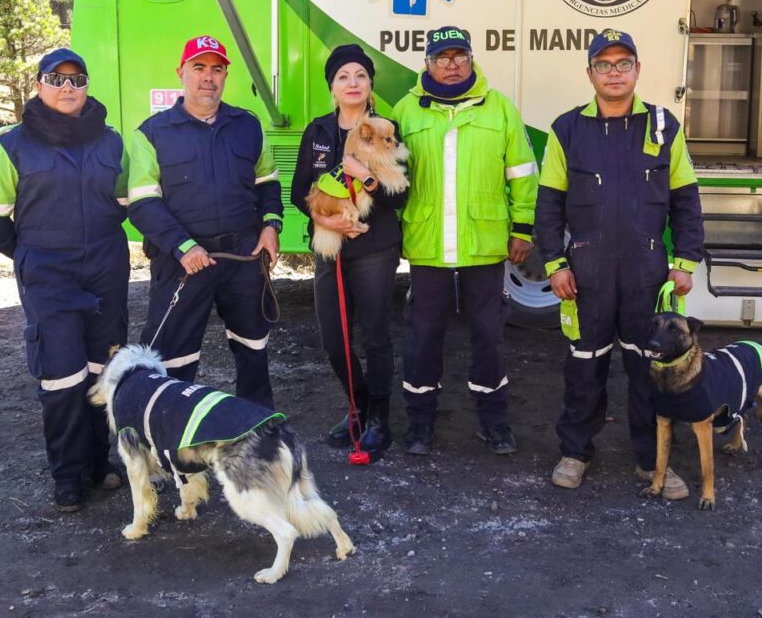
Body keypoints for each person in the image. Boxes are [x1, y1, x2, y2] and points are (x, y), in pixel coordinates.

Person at [534, 28, 705, 497]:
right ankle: (575, 452)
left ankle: (654, 461)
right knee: (583, 365)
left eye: (623, 63)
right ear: (589, 72)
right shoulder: (566, 129)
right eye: (604, 64)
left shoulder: (664, 125)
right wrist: (555, 265)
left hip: (645, 273)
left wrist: (686, 261)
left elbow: (686, 200)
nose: (614, 72)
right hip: (584, 273)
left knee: (649, 369)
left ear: (637, 70)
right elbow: (548, 205)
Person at [0, 48, 129, 512]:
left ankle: (99, 463)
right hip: (48, 274)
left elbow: (125, 202)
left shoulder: (111, 142)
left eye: (77, 80)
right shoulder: (10, 144)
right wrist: (32, 256)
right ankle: (67, 474)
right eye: (57, 79)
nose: (68, 88)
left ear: (86, 87)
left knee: (104, 371)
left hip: (105, 268)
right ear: (38, 85)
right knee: (61, 377)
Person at [393, 26, 538, 456]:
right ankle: (420, 423)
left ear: (472, 60)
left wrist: (522, 228)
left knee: (489, 334)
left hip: (485, 242)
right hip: (427, 243)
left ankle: (494, 421)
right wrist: (396, 228)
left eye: (460, 56)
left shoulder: (501, 110)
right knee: (423, 335)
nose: (452, 65)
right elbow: (389, 178)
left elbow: (523, 173)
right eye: (443, 57)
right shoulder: (405, 111)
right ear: (427, 64)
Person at [127, 35, 282, 408]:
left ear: (226, 75)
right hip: (183, 263)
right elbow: (143, 204)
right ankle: (169, 439)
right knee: (172, 360)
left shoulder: (248, 125)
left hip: (243, 258)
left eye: (217, 69)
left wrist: (271, 227)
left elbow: (268, 182)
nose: (208, 77)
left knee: (253, 348)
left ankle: (256, 430)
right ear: (181, 73)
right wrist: (184, 246)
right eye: (199, 68)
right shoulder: (151, 133)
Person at [291, 44, 407, 460]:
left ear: (370, 84)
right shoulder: (318, 132)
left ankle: (379, 418)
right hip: (329, 249)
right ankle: (356, 407)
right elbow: (296, 191)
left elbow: (401, 197)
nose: (352, 83)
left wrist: (369, 180)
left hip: (375, 247)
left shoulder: (386, 128)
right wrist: (325, 220)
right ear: (332, 87)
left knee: (375, 336)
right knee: (334, 339)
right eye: (343, 77)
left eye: (360, 75)